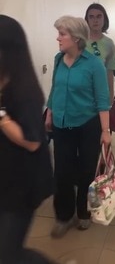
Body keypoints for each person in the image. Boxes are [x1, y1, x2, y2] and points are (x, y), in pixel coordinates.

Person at [45, 15, 111, 237]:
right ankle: (63, 216)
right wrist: (49, 113)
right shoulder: (58, 59)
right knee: (62, 173)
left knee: (85, 172)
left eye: (62, 34)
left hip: (87, 125)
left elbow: (102, 100)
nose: (58, 38)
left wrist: (105, 130)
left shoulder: (94, 65)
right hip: (62, 125)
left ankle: (83, 211)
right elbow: (55, 88)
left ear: (76, 38)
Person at [0, 15, 55, 264]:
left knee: (8, 254)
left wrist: (1, 116)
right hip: (5, 177)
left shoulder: (25, 91)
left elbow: (32, 141)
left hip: (21, 184)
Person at [84, 3, 115, 101]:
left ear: (104, 19)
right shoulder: (79, 41)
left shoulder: (109, 44)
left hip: (100, 95)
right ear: (87, 20)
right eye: (91, 17)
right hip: (81, 95)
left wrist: (110, 101)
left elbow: (109, 74)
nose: (95, 20)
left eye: (99, 16)